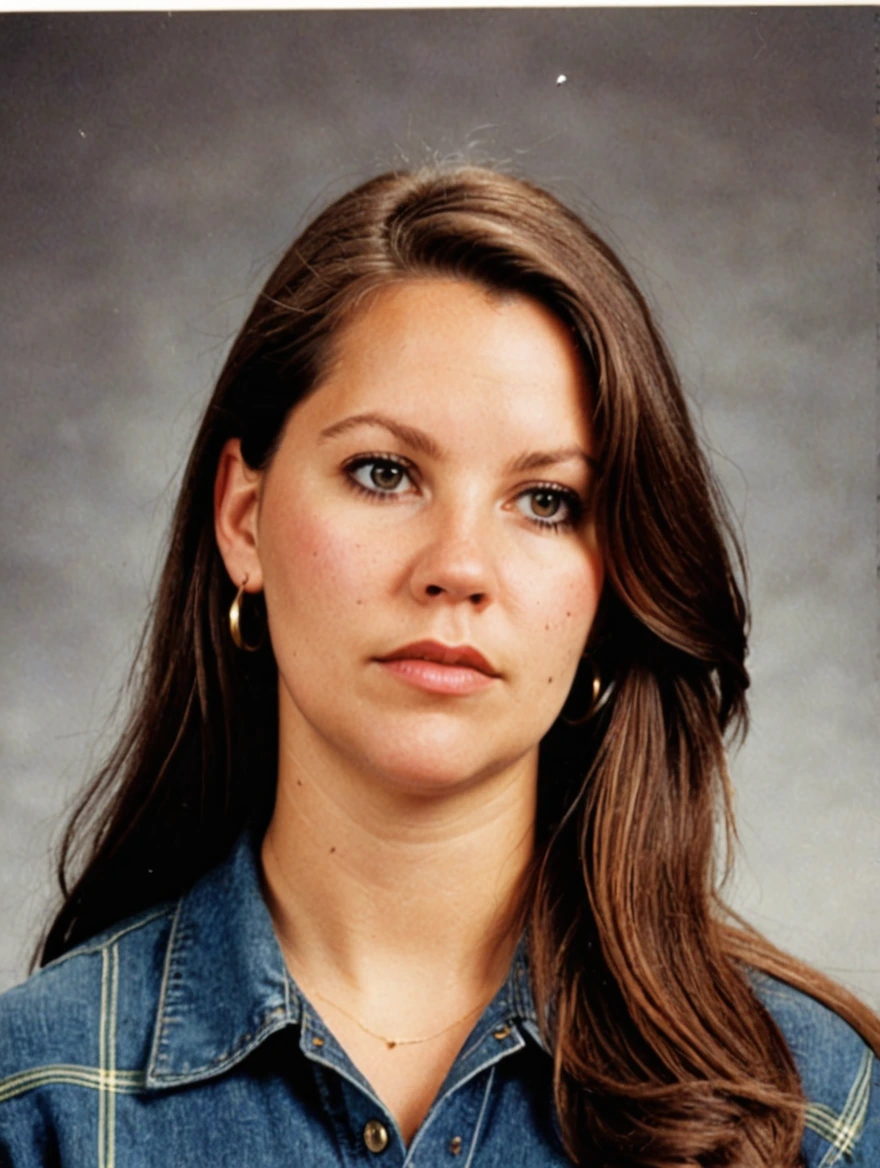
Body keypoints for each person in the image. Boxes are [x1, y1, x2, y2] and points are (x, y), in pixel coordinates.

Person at [0, 165, 877, 1168]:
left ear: (611, 582)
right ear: (244, 518)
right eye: (384, 473)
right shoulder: (35, 1100)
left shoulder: (811, 1114)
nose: (457, 567)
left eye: (545, 499)